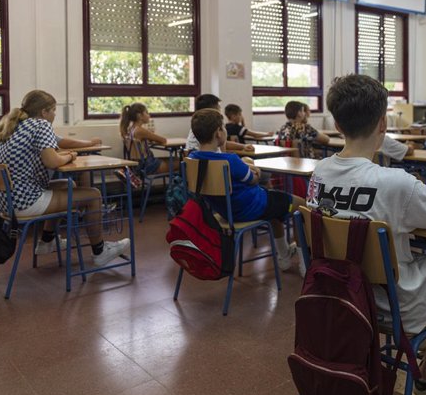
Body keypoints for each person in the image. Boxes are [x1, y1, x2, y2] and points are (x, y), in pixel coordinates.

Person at [307, 74, 426, 395]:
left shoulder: (318, 174)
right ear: (382, 123)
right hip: (400, 307)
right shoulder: (398, 184)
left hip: (340, 300)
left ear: (337, 123)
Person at [0, 91, 129, 265]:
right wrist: (70, 156)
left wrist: (63, 155)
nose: (55, 114)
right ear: (44, 112)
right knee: (93, 195)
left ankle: (47, 241)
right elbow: (51, 161)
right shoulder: (40, 124)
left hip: (5, 202)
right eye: (53, 110)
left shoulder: (15, 126)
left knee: (68, 184)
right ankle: (100, 251)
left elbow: (49, 153)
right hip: (25, 202)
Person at [188, 108, 305, 276]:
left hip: (226, 213)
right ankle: (304, 263)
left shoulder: (193, 159)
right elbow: (253, 179)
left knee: (275, 212)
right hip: (253, 206)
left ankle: (284, 257)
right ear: (218, 133)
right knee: (302, 207)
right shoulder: (230, 160)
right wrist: (254, 169)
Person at [185, 94, 254, 153]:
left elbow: (223, 143)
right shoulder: (211, 127)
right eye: (219, 108)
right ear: (211, 112)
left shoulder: (197, 127)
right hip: (216, 166)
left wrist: (243, 146)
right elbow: (222, 152)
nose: (220, 112)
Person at [119, 103, 170, 175]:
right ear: (140, 116)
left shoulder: (131, 129)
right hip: (147, 166)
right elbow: (163, 140)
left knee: (174, 160)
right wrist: (150, 134)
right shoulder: (140, 130)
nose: (149, 115)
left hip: (138, 165)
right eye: (146, 112)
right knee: (181, 162)